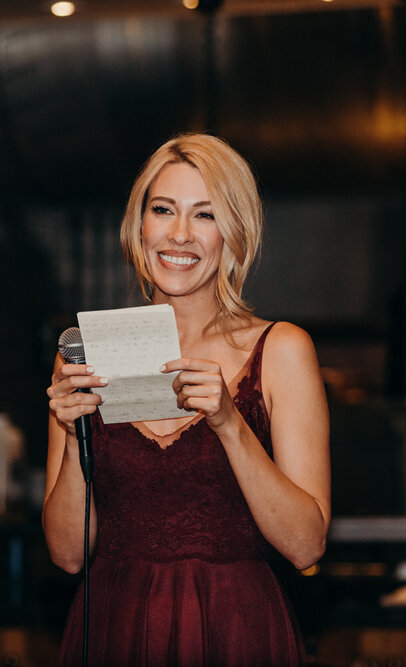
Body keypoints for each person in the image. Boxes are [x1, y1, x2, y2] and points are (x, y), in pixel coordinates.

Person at [44, 133, 330, 666]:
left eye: (205, 214)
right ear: (139, 226)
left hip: (235, 630)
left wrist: (229, 422)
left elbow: (306, 545)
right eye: (163, 210)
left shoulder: (281, 349)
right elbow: (66, 554)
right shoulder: (84, 351)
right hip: (116, 627)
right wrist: (70, 429)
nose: (179, 234)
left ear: (234, 234)